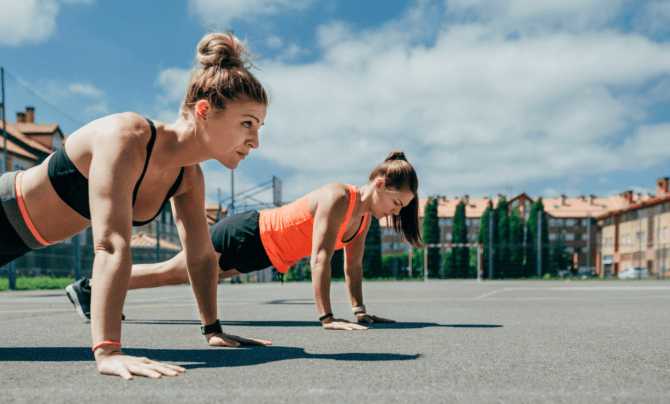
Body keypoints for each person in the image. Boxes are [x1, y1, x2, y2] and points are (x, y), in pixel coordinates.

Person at [0, 31, 269, 380]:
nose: (256, 140)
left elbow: (201, 256)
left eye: (259, 126)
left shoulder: (188, 178)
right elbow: (111, 244)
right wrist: (109, 351)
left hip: (16, 243)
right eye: (247, 123)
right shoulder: (127, 137)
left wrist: (212, 328)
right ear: (204, 111)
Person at [68, 151, 423, 331]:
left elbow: (354, 266)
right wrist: (327, 317)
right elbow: (320, 257)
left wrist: (359, 311)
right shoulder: (338, 198)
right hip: (248, 233)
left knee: (174, 273)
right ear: (378, 185)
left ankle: (92, 289)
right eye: (396, 203)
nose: (394, 213)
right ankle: (91, 287)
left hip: (262, 254)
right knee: (173, 272)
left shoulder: (361, 222)